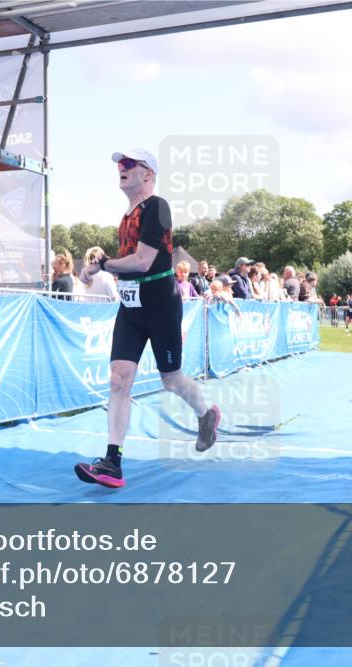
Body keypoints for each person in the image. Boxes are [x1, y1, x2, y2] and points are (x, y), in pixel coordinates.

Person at [75, 148, 219, 489]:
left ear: (148, 174)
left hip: (159, 303)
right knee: (118, 378)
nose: (121, 169)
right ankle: (112, 461)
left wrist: (104, 265)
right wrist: (95, 269)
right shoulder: (126, 216)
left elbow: (141, 262)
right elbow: (124, 264)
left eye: (129, 165)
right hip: (131, 306)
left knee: (171, 380)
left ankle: (206, 413)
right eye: (119, 165)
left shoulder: (158, 207)